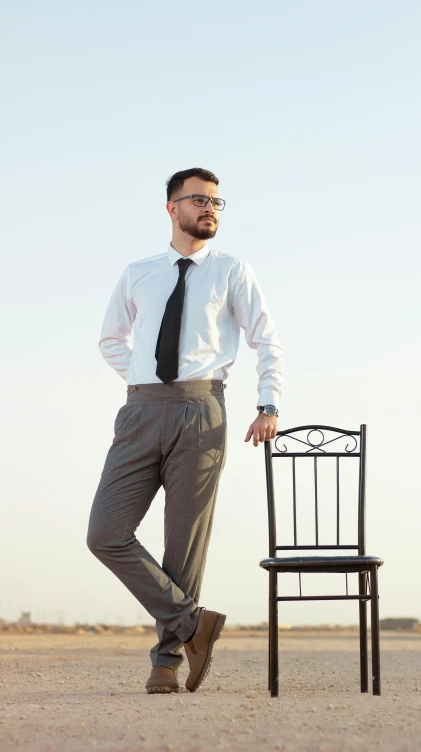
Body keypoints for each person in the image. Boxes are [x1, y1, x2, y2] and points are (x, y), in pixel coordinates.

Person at [87, 167, 284, 695]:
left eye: (218, 202)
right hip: (140, 412)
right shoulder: (139, 272)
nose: (210, 209)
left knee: (184, 546)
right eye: (198, 200)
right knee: (105, 533)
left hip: (202, 411)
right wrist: (141, 378)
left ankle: (167, 661)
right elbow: (111, 340)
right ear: (171, 208)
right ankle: (193, 622)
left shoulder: (231, 271)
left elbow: (267, 339)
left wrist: (268, 402)